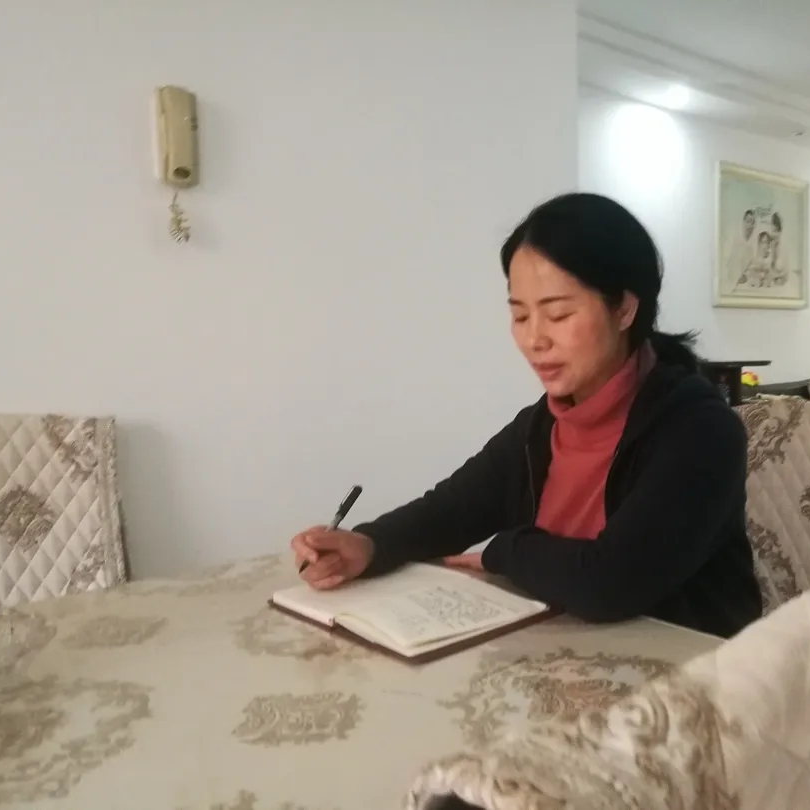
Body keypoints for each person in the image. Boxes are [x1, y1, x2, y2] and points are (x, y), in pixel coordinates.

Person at [290, 193, 762, 638]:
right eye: (520, 316)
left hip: (691, 670)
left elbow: (611, 583)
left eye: (558, 315)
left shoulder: (699, 429)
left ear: (624, 308)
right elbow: (450, 510)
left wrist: (505, 550)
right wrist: (367, 545)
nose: (535, 339)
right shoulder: (543, 425)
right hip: (568, 659)